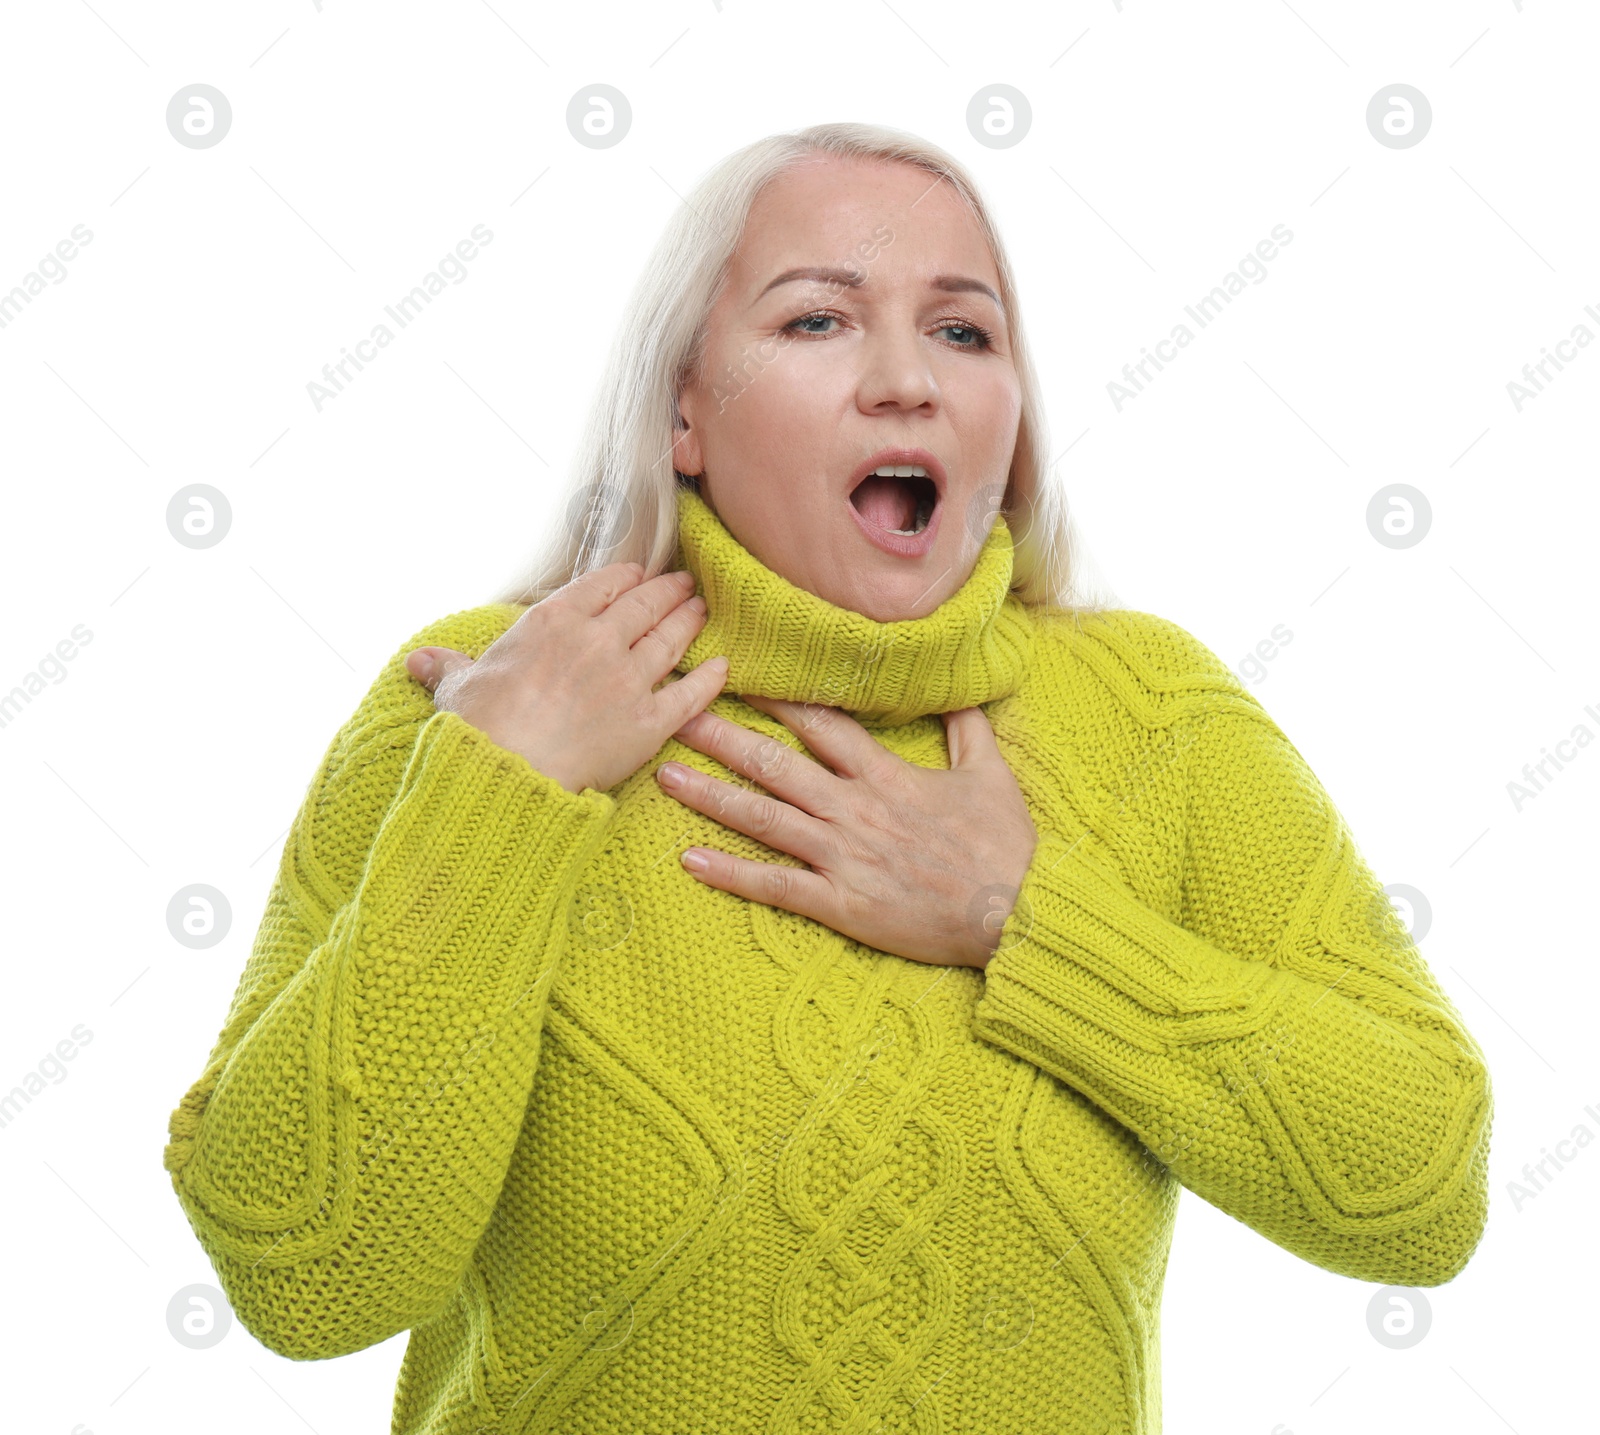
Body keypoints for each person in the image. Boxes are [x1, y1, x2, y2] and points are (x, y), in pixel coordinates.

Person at [162, 122, 1491, 1435]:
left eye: (964, 331)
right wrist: (499, 794)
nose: (908, 380)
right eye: (819, 321)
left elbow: (1424, 1192)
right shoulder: (485, 700)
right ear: (682, 408)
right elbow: (307, 1275)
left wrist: (1022, 919)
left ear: (1011, 420)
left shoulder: (1151, 718)